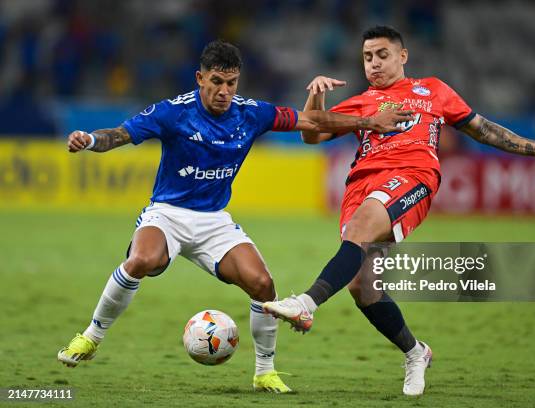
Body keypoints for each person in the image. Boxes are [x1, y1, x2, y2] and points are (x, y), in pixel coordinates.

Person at [57, 39, 410, 393]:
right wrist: (88, 139)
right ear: (200, 78)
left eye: (231, 83)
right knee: (142, 260)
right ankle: (91, 336)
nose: (224, 91)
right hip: (168, 214)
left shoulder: (251, 112)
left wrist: (370, 122)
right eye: (216, 82)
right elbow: (119, 134)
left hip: (213, 220)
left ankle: (264, 372)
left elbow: (310, 120)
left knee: (263, 285)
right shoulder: (172, 112)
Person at [263, 26, 535, 396]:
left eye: (382, 55)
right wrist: (315, 97)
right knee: (361, 286)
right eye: (367, 57)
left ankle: (305, 304)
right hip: (361, 185)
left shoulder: (432, 90)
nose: (374, 64)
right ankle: (416, 352)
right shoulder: (362, 101)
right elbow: (311, 134)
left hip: (412, 177)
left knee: (361, 227)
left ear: (403, 56)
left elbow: (482, 130)